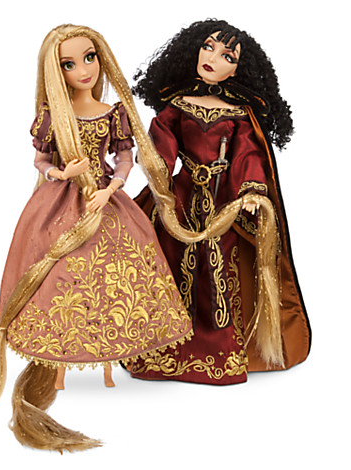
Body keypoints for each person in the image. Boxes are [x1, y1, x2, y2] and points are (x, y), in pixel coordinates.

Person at [0, 24, 192, 453]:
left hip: (105, 202)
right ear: (56, 70)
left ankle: (108, 358)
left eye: (89, 58)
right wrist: (60, 173)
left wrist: (111, 186)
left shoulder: (113, 113)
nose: (83, 70)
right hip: (60, 204)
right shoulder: (53, 115)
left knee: (113, 277)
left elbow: (125, 158)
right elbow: (40, 160)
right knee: (62, 279)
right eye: (69, 64)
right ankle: (59, 360)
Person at [129, 19, 311, 385]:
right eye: (208, 47)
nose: (213, 58)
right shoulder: (178, 105)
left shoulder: (238, 113)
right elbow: (162, 143)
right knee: (172, 266)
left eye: (227, 56)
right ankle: (165, 347)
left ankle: (218, 350)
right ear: (193, 50)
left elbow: (247, 155)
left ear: (238, 70)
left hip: (222, 204)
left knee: (218, 275)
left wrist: (251, 190)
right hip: (180, 201)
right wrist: (156, 166)